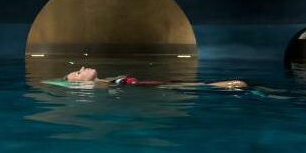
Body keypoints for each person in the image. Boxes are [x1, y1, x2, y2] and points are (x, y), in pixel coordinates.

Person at [60, 66, 247, 89]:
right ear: (82, 84)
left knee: (197, 84)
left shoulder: (102, 82)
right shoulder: (97, 87)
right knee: (201, 85)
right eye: (78, 72)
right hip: (151, 87)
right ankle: (230, 85)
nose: (82, 67)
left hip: (151, 84)